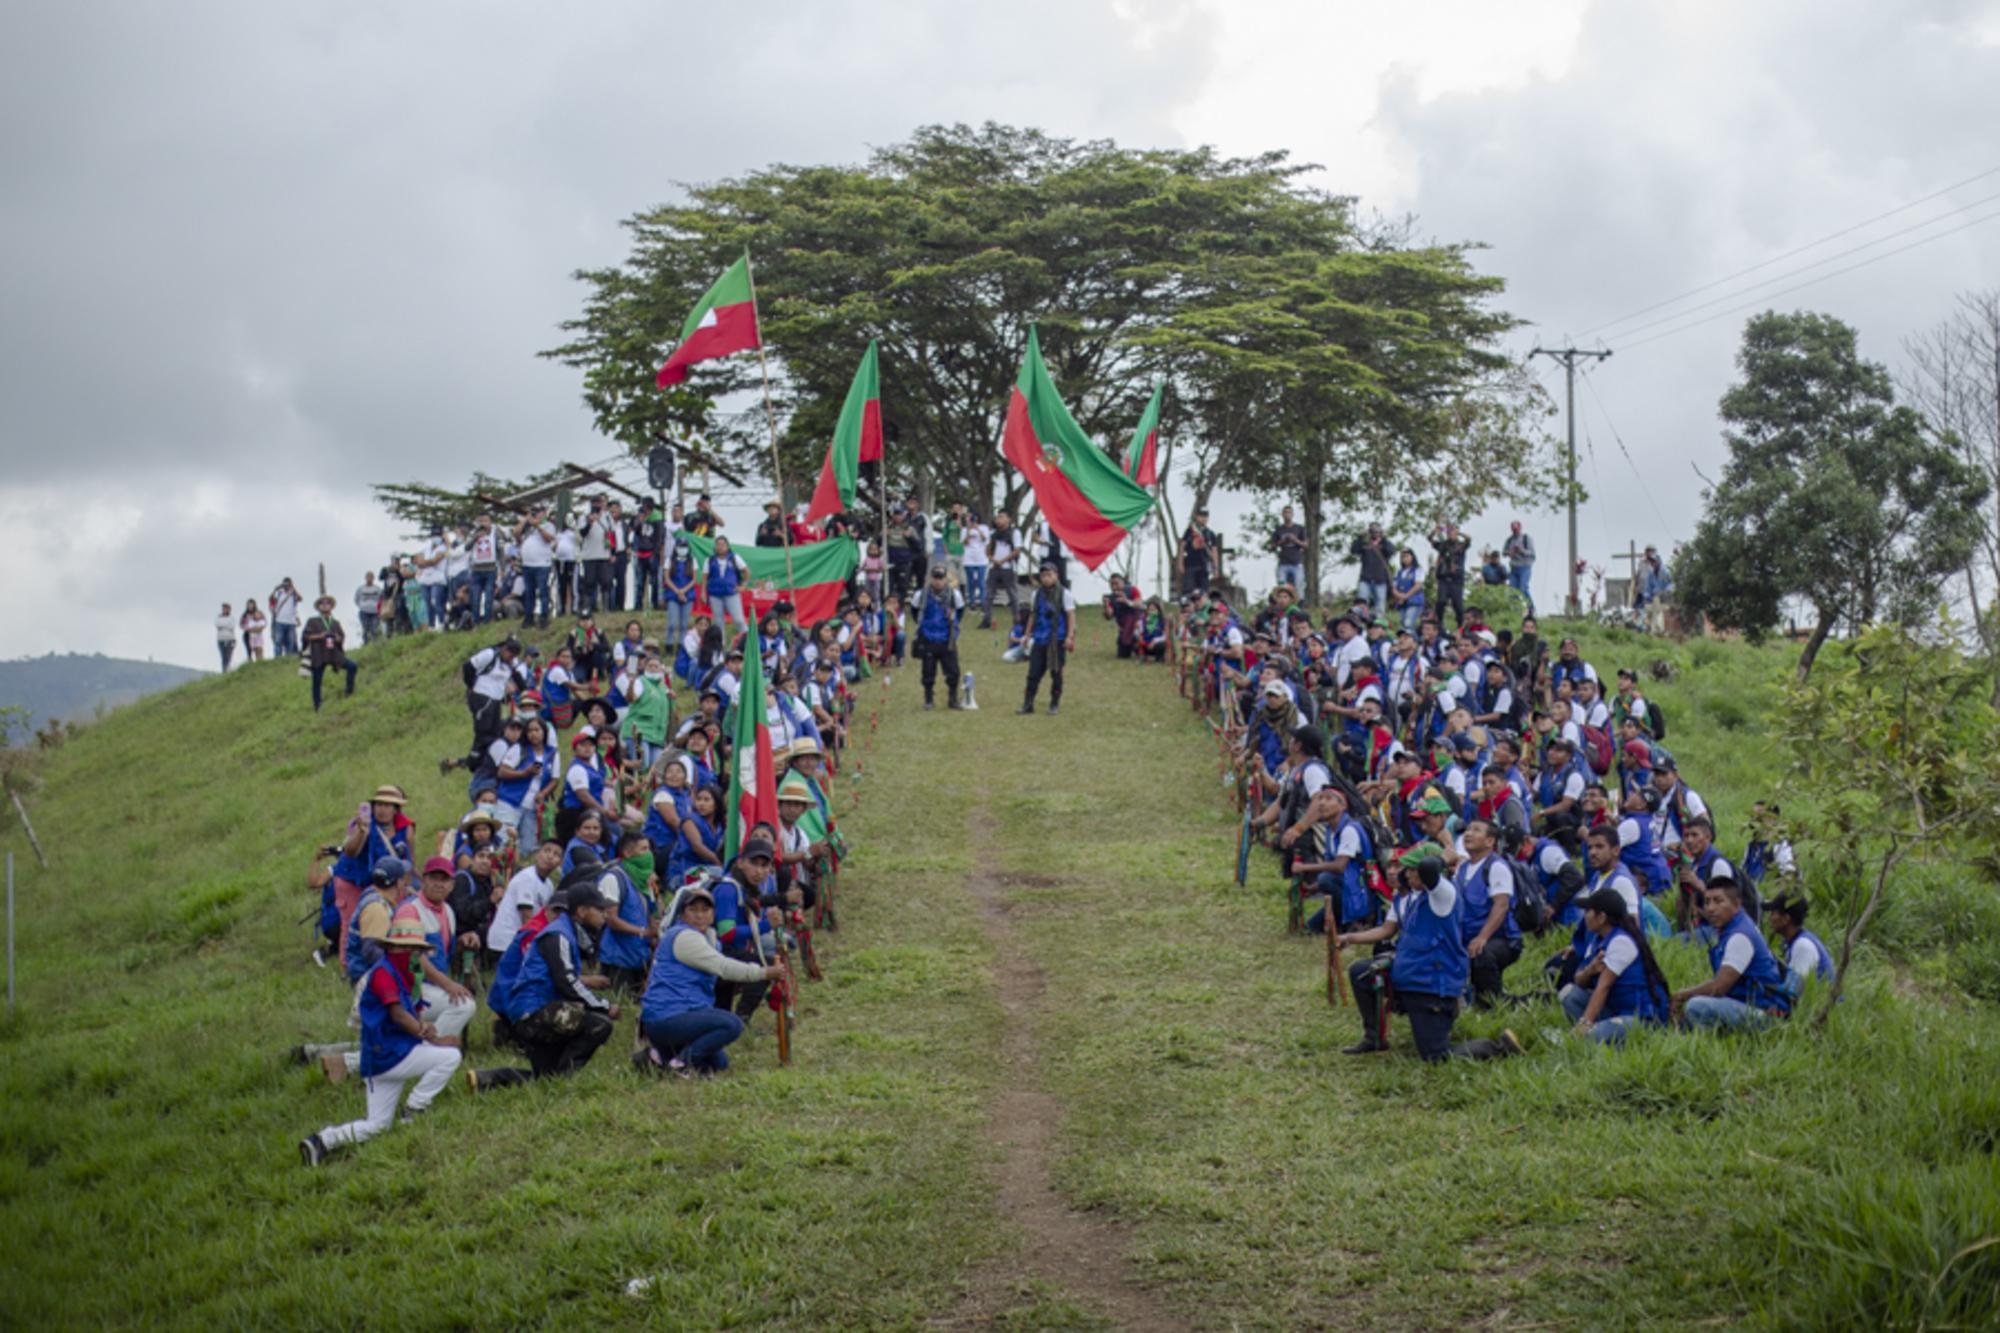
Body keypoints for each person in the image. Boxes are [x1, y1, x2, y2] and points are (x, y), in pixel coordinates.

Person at [299, 912, 462, 1166]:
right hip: (390, 1054)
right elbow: (397, 1014)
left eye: (415, 947)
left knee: (377, 1125)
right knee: (451, 1057)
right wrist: (426, 1032)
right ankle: (415, 1109)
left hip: (379, 1059)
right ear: (392, 947)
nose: (410, 952)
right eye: (405, 946)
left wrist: (430, 1036)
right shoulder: (385, 973)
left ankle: (322, 1140)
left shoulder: (402, 971)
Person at [1336, 848, 1522, 1062]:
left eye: (1413, 870)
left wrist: (1443, 856)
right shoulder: (1415, 897)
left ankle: (1499, 1047)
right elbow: (1389, 928)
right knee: (1361, 972)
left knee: (1436, 1055)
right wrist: (1349, 938)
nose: (1408, 874)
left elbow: (1429, 868)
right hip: (1411, 980)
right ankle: (1374, 1038)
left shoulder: (1442, 894)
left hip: (1432, 987)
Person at [470, 878, 618, 1090]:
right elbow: (567, 982)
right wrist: (604, 1005)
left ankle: (488, 1079)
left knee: (544, 1078)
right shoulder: (558, 935)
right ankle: (564, 1081)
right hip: (533, 1011)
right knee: (600, 1023)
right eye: (600, 910)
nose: (605, 915)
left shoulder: (567, 932)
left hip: (536, 1009)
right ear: (583, 910)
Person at [639, 878, 788, 1076]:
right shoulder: (684, 936)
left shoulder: (710, 938)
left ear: (713, 914)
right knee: (732, 1024)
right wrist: (763, 972)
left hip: (686, 1012)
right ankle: (682, 1064)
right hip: (667, 1016)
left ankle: (659, 1057)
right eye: (693, 910)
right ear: (683, 914)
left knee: (719, 1063)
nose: (700, 915)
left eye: (705, 910)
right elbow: (722, 967)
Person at [1672, 874, 1791, 1031]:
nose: (1711, 908)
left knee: (1696, 1006)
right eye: (1707, 902)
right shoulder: (1736, 926)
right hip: (1754, 1003)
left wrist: (1682, 995)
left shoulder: (1739, 936)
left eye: (1718, 901)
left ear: (1736, 905)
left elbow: (1718, 988)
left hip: (1765, 1014)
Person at [1558, 888, 1671, 1045]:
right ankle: (1594, 1033)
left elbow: (1603, 987)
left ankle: (1591, 1035)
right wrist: (1590, 970)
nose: (1585, 917)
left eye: (1588, 911)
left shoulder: (1621, 942)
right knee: (1568, 994)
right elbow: (1579, 980)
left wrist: (1584, 1025)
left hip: (1639, 1017)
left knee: (1592, 1036)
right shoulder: (1597, 940)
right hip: (1616, 1010)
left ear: (1602, 917)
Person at [329, 787, 413, 961]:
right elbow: (351, 851)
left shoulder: (405, 828)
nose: (382, 810)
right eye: (379, 804)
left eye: (387, 805)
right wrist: (362, 832)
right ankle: (348, 965)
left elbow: (408, 858)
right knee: (351, 921)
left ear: (396, 808)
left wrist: (407, 882)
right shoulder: (361, 824)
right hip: (351, 879)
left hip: (379, 881)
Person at [402, 858, 479, 1042]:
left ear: (452, 885)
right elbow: (414, 957)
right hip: (408, 988)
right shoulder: (410, 910)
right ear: (423, 880)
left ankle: (420, 1047)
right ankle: (430, 1048)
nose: (439, 884)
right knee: (464, 1005)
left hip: (429, 987)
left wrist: (462, 942)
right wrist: (448, 984)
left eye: (444, 879)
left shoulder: (448, 911)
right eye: (433, 878)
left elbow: (444, 955)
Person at [1455, 818, 1522, 1006]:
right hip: (1469, 936)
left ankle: (1495, 1006)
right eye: (1468, 829)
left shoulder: (1496, 867)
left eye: (1476, 830)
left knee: (1482, 955)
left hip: (1502, 939)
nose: (1468, 833)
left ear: (1490, 841)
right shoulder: (1462, 868)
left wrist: (1483, 937)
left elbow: (1501, 906)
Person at [445, 636, 527, 776]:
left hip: (496, 699)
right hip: (482, 696)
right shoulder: (490, 654)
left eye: (514, 655)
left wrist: (522, 689)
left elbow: (519, 679)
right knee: (484, 732)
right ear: (504, 648)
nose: (511, 657)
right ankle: (476, 761)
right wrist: (471, 686)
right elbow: (468, 667)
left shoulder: (511, 662)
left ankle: (472, 762)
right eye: (510, 653)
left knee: (495, 733)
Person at [1017, 560, 1076, 716]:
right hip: (1040, 638)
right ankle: (1028, 704)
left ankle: (1054, 703)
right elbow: (1033, 615)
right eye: (1043, 575)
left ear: (1056, 575)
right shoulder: (1036, 594)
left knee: (1056, 673)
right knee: (1033, 673)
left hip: (1057, 639)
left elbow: (1070, 615)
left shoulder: (1065, 593)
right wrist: (1027, 634)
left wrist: (1070, 637)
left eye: (1049, 575)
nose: (1046, 578)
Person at [491, 838, 561, 961]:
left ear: (559, 863)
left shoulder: (549, 884)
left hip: (524, 939)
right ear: (537, 855)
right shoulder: (527, 878)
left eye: (556, 854)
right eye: (547, 851)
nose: (550, 856)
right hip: (506, 941)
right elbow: (527, 918)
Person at [911, 564, 965, 711]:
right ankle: (928, 699)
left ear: (946, 579)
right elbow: (915, 612)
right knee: (928, 671)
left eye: (941, 578)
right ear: (930, 578)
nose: (937, 581)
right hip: (928, 637)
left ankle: (953, 699)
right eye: (935, 577)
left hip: (947, 638)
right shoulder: (920, 595)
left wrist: (952, 624)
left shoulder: (955, 595)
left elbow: (960, 612)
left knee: (953, 671)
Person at [1762, 887, 1834, 992]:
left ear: (1786, 919)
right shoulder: (1794, 941)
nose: (1770, 918)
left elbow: (1794, 991)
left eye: (1774, 913)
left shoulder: (1803, 946)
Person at [301, 594, 358, 710]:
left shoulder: (335, 622)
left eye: (328, 603)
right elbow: (306, 637)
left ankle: (349, 691)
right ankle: (317, 705)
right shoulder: (312, 621)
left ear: (331, 606)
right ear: (318, 607)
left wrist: (337, 638)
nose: (325, 605)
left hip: (334, 653)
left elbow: (342, 637)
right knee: (317, 681)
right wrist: (320, 636)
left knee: (352, 666)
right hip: (319, 653)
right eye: (322, 603)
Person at [1428, 522, 1470, 629]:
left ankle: (1461, 627)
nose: (1451, 533)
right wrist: (1435, 531)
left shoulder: (1460, 546)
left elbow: (1468, 539)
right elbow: (1430, 539)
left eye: (1453, 531)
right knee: (1441, 601)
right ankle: (1439, 623)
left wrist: (1458, 532)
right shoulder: (1443, 545)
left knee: (1458, 606)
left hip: (1456, 579)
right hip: (1444, 578)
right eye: (1449, 531)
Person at [706, 535, 749, 636]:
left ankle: (749, 642)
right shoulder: (710, 560)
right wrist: (704, 592)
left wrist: (743, 586)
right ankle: (720, 647)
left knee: (739, 620)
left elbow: (747, 572)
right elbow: (704, 578)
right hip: (715, 595)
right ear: (715, 547)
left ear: (727, 546)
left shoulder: (734, 557)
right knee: (718, 622)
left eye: (722, 544)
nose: (720, 547)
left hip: (731, 594)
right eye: (718, 544)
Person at [1349, 524, 1394, 618]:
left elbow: (1390, 551)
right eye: (1373, 531)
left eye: (1377, 531)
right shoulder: (1364, 545)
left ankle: (1378, 626)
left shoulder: (1385, 545)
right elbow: (1353, 550)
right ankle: (1360, 622)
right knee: (1361, 604)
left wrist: (1384, 538)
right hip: (1365, 579)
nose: (1375, 533)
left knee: (1380, 607)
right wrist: (1360, 537)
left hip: (1380, 580)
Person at [983, 512, 1019, 628]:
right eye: (997, 517)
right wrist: (993, 560)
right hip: (993, 567)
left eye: (1001, 517)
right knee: (988, 595)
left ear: (1009, 519)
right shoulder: (992, 533)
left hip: (1008, 567)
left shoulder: (1015, 533)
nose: (998, 520)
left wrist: (1002, 561)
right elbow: (987, 550)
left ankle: (1017, 620)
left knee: (1012, 595)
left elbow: (1017, 550)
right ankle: (986, 620)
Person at [1178, 509, 1217, 598]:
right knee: (1189, 590)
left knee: (1204, 591)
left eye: (1205, 516)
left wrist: (1215, 567)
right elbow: (1182, 546)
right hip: (1191, 565)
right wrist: (1180, 563)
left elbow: (1214, 551)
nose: (1203, 519)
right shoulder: (1190, 531)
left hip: (1204, 565)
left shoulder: (1210, 533)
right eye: (1201, 516)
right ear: (1197, 517)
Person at [1271, 506, 1308, 595]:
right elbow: (1272, 547)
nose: (1287, 514)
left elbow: (1306, 545)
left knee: (1299, 586)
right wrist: (1282, 541)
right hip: (1283, 563)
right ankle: (1283, 606)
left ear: (1292, 514)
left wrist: (1295, 540)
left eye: (1289, 512)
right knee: (1281, 587)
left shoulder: (1299, 528)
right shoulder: (1278, 530)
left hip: (1297, 563)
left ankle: (1299, 607)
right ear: (1282, 515)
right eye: (1285, 512)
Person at [1502, 521, 1536, 614]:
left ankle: (1531, 609)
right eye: (1513, 530)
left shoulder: (1526, 539)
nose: (1515, 531)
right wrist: (1510, 552)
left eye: (1516, 529)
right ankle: (1517, 610)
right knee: (1512, 590)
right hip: (1514, 568)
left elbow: (1532, 553)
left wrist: (1521, 550)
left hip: (1525, 566)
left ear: (1520, 528)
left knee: (1523, 588)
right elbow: (1503, 552)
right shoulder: (1509, 540)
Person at [1389, 548, 1425, 633]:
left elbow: (1418, 585)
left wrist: (1405, 596)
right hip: (1401, 602)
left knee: (1408, 623)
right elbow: (1394, 587)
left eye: (1406, 556)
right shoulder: (1399, 571)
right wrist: (1398, 596)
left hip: (1414, 601)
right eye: (1402, 557)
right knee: (1402, 624)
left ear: (1412, 557)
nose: (1404, 559)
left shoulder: (1418, 569)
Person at [353, 572, 383, 644]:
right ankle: (366, 643)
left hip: (375, 612)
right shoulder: (360, 589)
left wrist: (379, 608)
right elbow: (356, 599)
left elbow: (381, 599)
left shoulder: (377, 589)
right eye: (368, 577)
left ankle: (376, 643)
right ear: (365, 578)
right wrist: (362, 606)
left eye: (371, 577)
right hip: (364, 611)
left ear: (373, 578)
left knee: (375, 628)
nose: (369, 579)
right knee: (365, 628)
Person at [215, 603, 236, 671]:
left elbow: (231, 626)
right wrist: (226, 625)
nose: (224, 610)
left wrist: (223, 626)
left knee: (228, 656)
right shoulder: (218, 617)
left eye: (226, 608)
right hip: (221, 639)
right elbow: (217, 624)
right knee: (223, 656)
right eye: (223, 608)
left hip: (230, 639)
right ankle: (224, 670)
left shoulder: (231, 618)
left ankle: (228, 669)